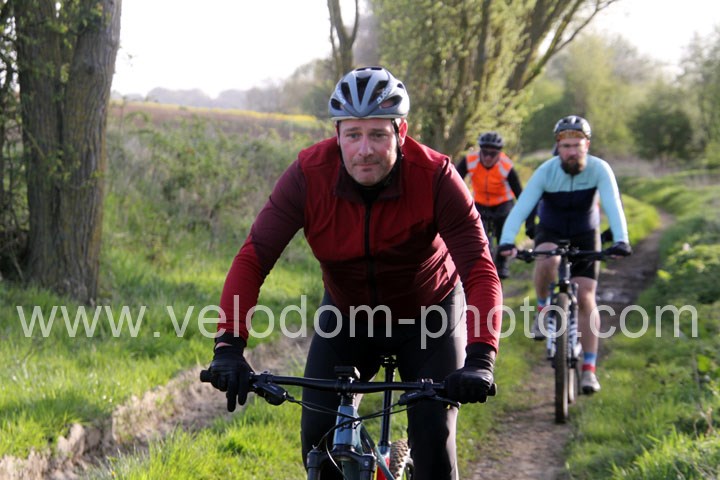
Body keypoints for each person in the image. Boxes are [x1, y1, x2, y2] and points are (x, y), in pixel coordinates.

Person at [204, 66, 503, 480]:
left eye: (378, 134)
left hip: (430, 315)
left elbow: (480, 268)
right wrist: (229, 346)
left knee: (433, 440)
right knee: (318, 443)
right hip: (348, 315)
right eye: (353, 135)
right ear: (337, 134)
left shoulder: (436, 177)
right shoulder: (308, 176)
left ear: (401, 132)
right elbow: (253, 258)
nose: (365, 150)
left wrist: (481, 356)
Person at [497, 115, 631, 394]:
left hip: (586, 232)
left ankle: (589, 370)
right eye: (566, 146)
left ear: (586, 146)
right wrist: (507, 241)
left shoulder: (599, 169)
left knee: (586, 296)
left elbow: (613, 204)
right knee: (547, 257)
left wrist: (621, 240)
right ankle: (543, 309)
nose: (571, 152)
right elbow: (521, 208)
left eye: (577, 145)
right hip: (551, 230)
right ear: (557, 147)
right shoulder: (546, 171)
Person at [455, 131, 532, 278]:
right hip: (480, 201)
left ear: (499, 153)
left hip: (502, 202)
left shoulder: (506, 165)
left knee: (504, 228)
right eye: (484, 152)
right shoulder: (470, 160)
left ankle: (502, 264)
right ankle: (480, 263)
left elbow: (519, 192)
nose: (488, 157)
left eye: (493, 154)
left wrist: (527, 216)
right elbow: (455, 181)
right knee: (477, 232)